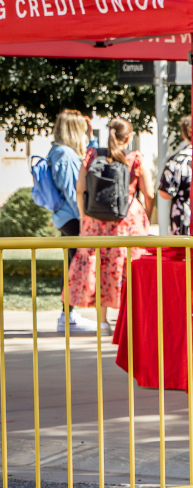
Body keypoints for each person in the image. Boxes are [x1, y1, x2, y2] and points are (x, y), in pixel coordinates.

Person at [65, 118, 154, 332]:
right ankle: (129, 321)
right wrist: (146, 217)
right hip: (127, 221)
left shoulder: (92, 156)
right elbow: (149, 193)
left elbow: (80, 189)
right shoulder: (135, 159)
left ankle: (103, 321)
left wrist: (84, 217)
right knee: (128, 269)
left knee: (101, 268)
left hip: (95, 222)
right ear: (129, 138)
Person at [46, 109, 97, 333]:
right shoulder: (65, 155)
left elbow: (90, 157)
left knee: (71, 264)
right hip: (73, 217)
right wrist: (84, 219)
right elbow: (72, 191)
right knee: (74, 266)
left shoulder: (58, 151)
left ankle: (68, 314)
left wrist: (92, 137)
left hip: (65, 217)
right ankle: (67, 315)